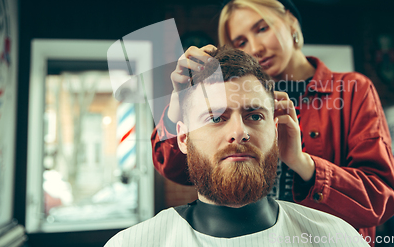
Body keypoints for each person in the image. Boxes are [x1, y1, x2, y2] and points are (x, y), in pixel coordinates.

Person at [151, 0, 394, 246]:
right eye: (241, 41)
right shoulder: (230, 98)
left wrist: (302, 163)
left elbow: (382, 199)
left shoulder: (352, 91)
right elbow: (176, 170)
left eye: (262, 28)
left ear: (291, 22)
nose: (255, 48)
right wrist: (179, 100)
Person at [106, 47, 369, 246]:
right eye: (215, 118)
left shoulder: (340, 239)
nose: (239, 132)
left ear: (276, 131)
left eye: (254, 116)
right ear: (183, 138)